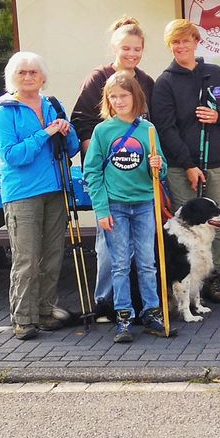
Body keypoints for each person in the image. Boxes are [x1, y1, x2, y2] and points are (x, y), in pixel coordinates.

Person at [0, 52, 80, 340]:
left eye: (33, 72)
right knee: (26, 259)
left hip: (56, 190)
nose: (28, 77)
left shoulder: (53, 105)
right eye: (22, 72)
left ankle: (44, 311)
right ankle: (23, 319)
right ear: (12, 78)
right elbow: (13, 155)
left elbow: (72, 148)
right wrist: (46, 133)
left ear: (42, 77)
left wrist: (67, 130)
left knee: (52, 256)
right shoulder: (4, 112)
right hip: (22, 194)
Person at [71, 16, 156, 322]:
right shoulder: (99, 78)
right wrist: (99, 156)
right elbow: (81, 121)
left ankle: (137, 304)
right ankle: (106, 304)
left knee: (142, 252)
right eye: (125, 48)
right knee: (109, 248)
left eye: (137, 49)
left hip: (140, 183)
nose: (131, 54)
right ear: (114, 48)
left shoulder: (146, 82)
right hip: (110, 182)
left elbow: (151, 130)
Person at [150, 19, 220, 303]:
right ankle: (186, 283)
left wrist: (219, 117)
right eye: (175, 42)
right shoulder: (165, 83)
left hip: (215, 161)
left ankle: (212, 278)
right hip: (181, 167)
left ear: (196, 42)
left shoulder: (215, 74)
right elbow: (165, 129)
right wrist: (188, 165)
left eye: (185, 40)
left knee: (216, 222)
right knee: (186, 228)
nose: (181, 46)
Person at [82, 72, 170, 342]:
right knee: (120, 265)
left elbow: (161, 170)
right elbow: (92, 172)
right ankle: (124, 316)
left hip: (144, 204)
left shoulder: (148, 129)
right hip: (115, 206)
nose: (119, 101)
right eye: (113, 97)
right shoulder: (103, 131)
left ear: (136, 97)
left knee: (147, 263)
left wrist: (158, 166)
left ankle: (152, 313)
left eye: (124, 95)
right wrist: (101, 209)